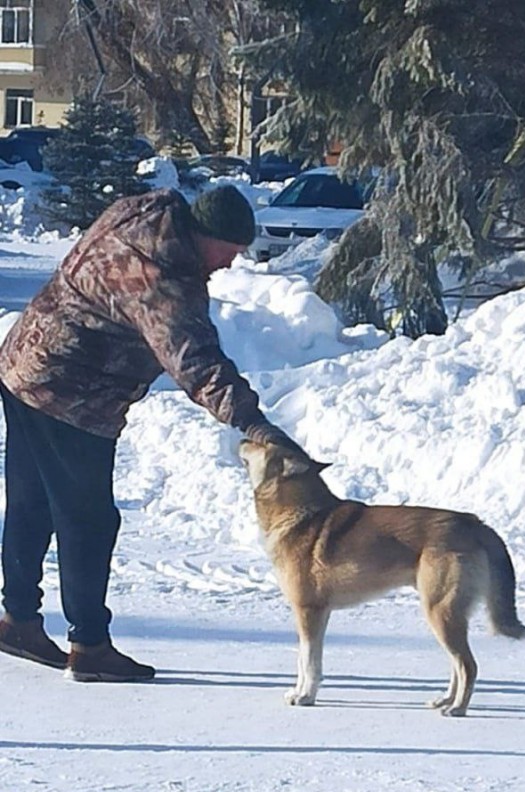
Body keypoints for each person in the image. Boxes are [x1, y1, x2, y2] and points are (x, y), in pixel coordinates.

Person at [0, 184, 304, 682]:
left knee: (33, 501)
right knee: (89, 520)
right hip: (72, 392)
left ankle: (18, 620)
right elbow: (195, 361)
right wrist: (252, 422)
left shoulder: (140, 213)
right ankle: (90, 646)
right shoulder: (163, 277)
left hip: (23, 362)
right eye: (229, 253)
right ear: (206, 235)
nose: (229, 265)